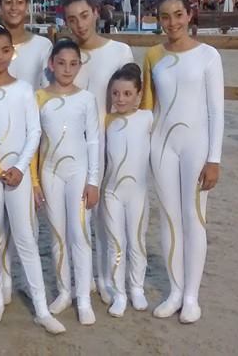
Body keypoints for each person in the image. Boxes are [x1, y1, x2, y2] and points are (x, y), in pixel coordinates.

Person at [0, 24, 65, 334]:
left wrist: (19, 168)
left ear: (12, 52)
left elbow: (34, 132)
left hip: (17, 175)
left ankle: (41, 308)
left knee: (25, 237)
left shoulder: (23, 90)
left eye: (5, 50)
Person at [140, 0, 224, 323]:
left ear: (190, 15)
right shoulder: (156, 58)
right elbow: (149, 108)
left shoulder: (208, 56)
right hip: (162, 147)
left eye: (178, 15)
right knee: (169, 218)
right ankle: (175, 291)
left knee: (194, 218)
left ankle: (191, 296)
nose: (172, 22)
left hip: (196, 148)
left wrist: (214, 159)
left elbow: (216, 111)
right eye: (165, 17)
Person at [61, 0, 134, 302]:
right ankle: (82, 278)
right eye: (72, 19)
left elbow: (130, 101)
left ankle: (106, 278)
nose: (80, 25)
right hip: (74, 150)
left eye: (84, 16)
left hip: (109, 146)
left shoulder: (119, 51)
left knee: (107, 217)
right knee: (78, 219)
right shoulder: (65, 56)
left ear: (95, 12)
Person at [31, 39, 100, 325]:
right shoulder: (38, 98)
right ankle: (63, 291)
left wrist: (93, 181)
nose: (67, 69)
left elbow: (93, 140)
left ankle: (83, 298)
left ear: (80, 66)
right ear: (51, 64)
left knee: (79, 234)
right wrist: (35, 182)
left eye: (73, 64)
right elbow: (33, 142)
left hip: (78, 173)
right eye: (61, 63)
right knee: (57, 235)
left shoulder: (86, 99)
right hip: (50, 173)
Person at [101, 63, 153, 317]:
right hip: (111, 193)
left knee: (137, 241)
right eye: (115, 93)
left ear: (138, 95)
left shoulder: (147, 118)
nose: (120, 99)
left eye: (127, 94)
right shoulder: (106, 121)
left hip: (138, 194)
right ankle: (119, 293)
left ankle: (137, 288)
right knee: (116, 244)